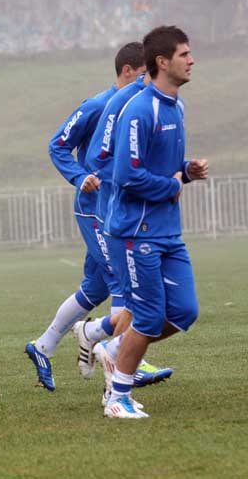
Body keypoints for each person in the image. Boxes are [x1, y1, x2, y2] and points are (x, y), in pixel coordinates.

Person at [24, 42, 159, 391]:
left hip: (117, 208)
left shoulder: (138, 107)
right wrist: (80, 176)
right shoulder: (97, 106)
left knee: (96, 286)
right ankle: (126, 362)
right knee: (122, 280)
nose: (150, 81)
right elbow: (58, 144)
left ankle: (44, 346)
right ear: (128, 71)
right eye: (145, 74)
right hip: (93, 208)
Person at [102, 25, 207, 418]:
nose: (191, 60)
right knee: (146, 316)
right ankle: (118, 398)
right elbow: (126, 175)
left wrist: (186, 170)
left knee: (183, 311)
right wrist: (172, 183)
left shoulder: (176, 106)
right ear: (162, 62)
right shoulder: (139, 110)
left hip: (167, 231)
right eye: (184, 54)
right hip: (134, 232)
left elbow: (163, 169)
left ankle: (114, 349)